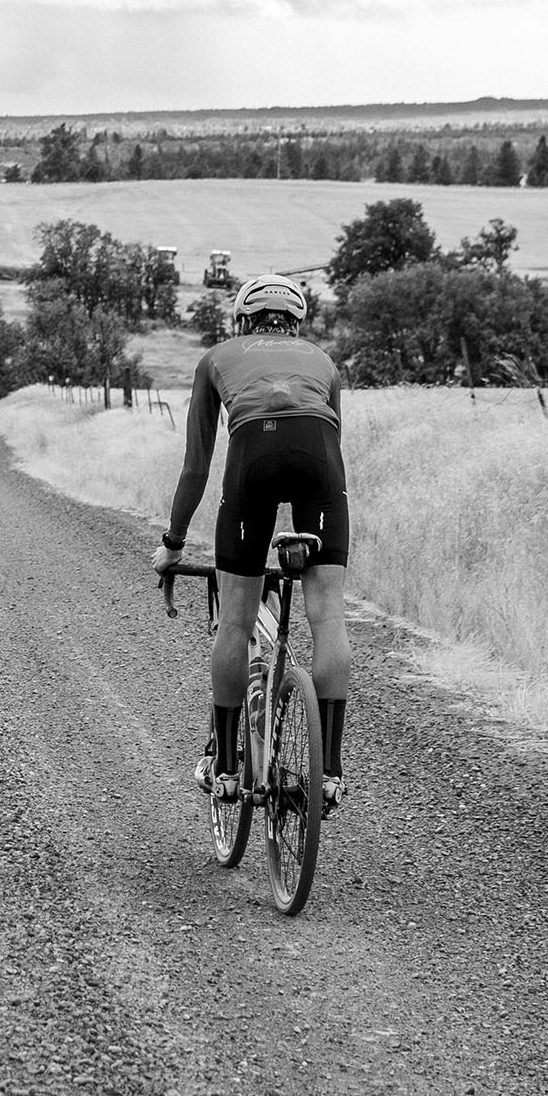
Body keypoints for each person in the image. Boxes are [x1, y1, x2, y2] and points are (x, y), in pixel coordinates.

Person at [153, 272, 352, 802]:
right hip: (320, 462)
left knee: (237, 622)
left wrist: (173, 544)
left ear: (242, 319)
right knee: (328, 614)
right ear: (297, 322)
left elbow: (196, 467)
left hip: (251, 462)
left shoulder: (216, 358)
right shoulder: (323, 362)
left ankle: (224, 767)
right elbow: (332, 441)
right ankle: (329, 774)